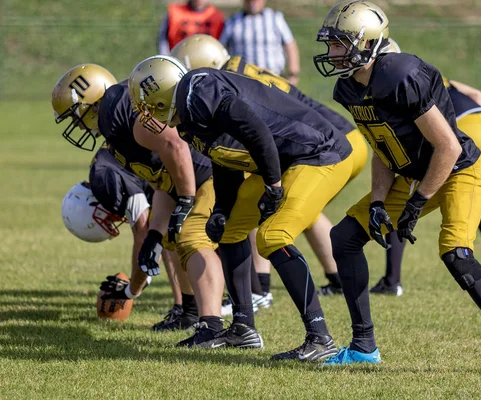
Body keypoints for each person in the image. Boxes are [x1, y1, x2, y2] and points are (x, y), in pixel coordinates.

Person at [313, 1, 481, 378]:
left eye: (340, 44)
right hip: (414, 174)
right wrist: (375, 202)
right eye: (332, 44)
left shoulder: (400, 76)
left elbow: (448, 147)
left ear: (367, 44)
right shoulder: (349, 89)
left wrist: (417, 203)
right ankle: (363, 347)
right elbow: (383, 148)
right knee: (345, 236)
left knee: (457, 254)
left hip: (458, 169)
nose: (332, 53)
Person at [128, 54, 356, 361]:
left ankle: (320, 337)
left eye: (148, 104)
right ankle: (243, 328)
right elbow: (226, 158)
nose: (147, 113)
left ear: (163, 93)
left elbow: (255, 129)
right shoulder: (189, 115)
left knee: (273, 236)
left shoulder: (201, 91)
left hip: (317, 153)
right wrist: (222, 206)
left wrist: (274, 185)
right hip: (285, 160)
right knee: (229, 229)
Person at [52, 63, 263, 349]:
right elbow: (163, 180)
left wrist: (187, 198)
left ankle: (213, 327)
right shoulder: (114, 129)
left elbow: (174, 144)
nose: (76, 124)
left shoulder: (116, 111)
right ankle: (197, 316)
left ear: (90, 101)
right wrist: (155, 233)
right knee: (173, 239)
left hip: (209, 169)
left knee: (192, 237)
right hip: (198, 173)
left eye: (74, 115)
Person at [169, 33, 369, 297]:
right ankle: (336, 278)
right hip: (340, 137)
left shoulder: (214, 87)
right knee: (300, 208)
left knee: (267, 205)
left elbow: (255, 130)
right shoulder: (239, 71)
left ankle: (261, 287)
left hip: (325, 142)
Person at [367, 39, 481, 296]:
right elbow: (479, 97)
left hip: (464, 135)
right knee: (479, 202)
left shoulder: (397, 84)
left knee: (404, 195)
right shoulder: (432, 75)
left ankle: (392, 280)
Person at [219, 0, 300, 85]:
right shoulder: (232, 21)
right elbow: (221, 49)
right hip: (243, 81)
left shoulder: (275, 18)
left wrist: (293, 73)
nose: (252, 3)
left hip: (274, 78)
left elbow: (290, 45)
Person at [158, 0, 224, 55]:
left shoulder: (216, 16)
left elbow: (222, 43)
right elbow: (163, 40)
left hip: (208, 60)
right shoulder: (174, 12)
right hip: (179, 57)